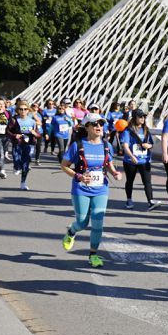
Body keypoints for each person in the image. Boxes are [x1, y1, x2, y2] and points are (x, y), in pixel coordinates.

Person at [60, 114, 122, 267]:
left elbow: (108, 163)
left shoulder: (107, 145)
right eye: (94, 123)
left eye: (101, 123)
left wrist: (115, 172)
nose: (98, 126)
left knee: (97, 223)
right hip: (81, 188)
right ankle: (71, 232)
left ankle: (93, 255)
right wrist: (78, 176)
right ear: (86, 127)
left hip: (101, 188)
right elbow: (64, 165)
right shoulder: (78, 145)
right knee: (82, 222)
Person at [119, 109, 158, 210]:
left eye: (144, 117)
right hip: (130, 161)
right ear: (134, 117)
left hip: (144, 160)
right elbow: (125, 145)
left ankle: (150, 201)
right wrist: (132, 156)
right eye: (140, 117)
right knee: (130, 181)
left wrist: (148, 146)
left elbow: (151, 144)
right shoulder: (128, 130)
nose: (143, 119)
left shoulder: (146, 130)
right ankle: (129, 200)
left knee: (147, 182)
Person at [8, 101, 41, 190]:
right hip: (17, 143)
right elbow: (8, 131)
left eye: (25, 109)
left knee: (26, 163)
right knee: (16, 158)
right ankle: (16, 167)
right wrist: (15, 135)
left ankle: (23, 182)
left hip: (29, 144)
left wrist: (35, 133)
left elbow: (38, 134)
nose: (23, 111)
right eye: (21, 109)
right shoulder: (14, 120)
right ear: (18, 110)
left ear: (28, 110)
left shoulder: (32, 122)